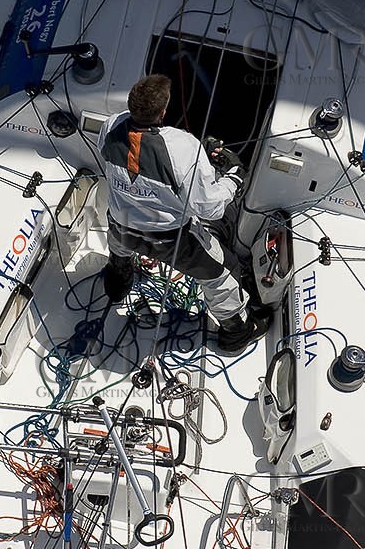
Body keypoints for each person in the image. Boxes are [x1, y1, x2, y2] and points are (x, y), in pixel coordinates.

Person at [96, 72, 271, 352]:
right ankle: (237, 330)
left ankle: (118, 280)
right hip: (171, 240)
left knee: (119, 248)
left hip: (121, 225)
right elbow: (209, 208)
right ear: (164, 111)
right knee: (222, 272)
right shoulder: (184, 146)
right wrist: (234, 176)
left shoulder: (110, 126)